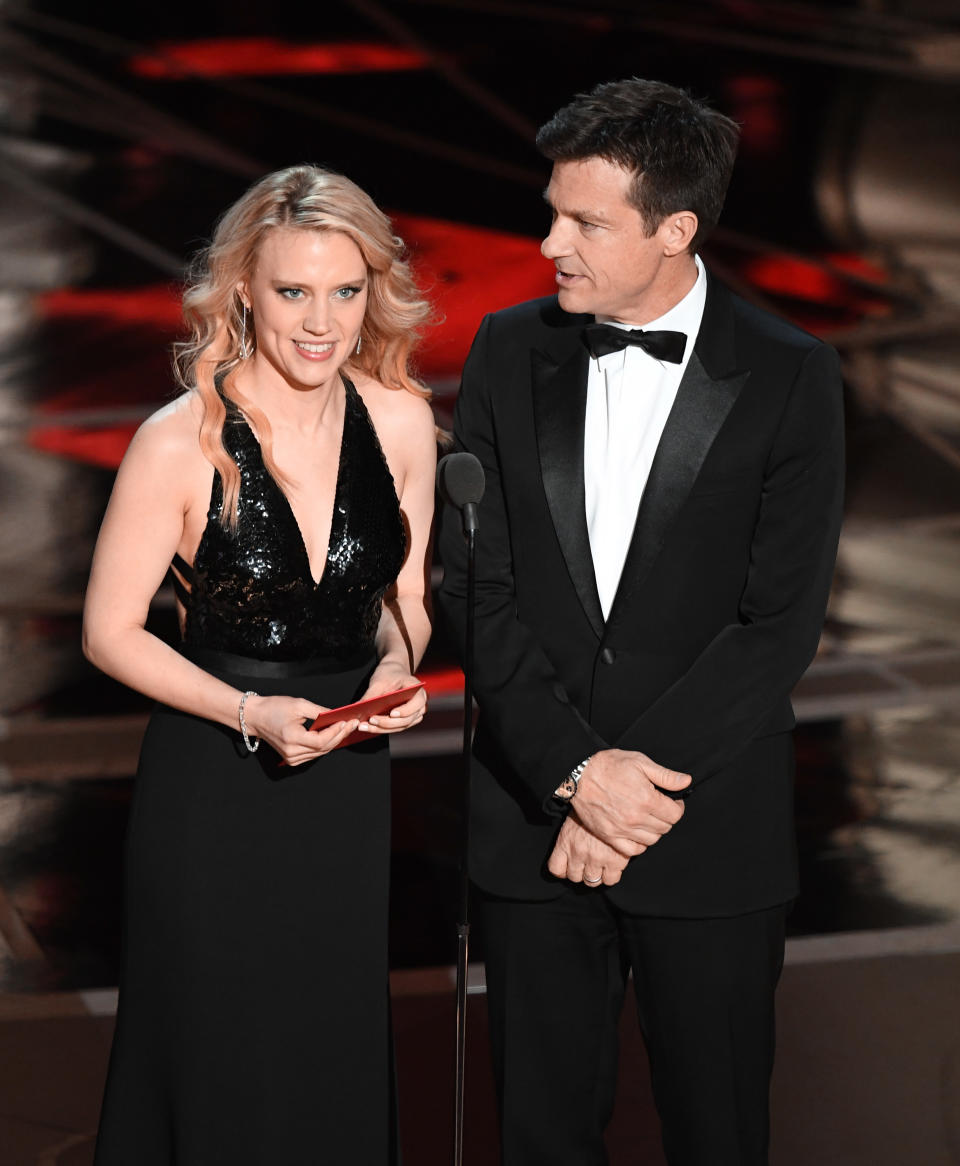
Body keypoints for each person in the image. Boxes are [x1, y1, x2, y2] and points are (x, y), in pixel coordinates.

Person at [438, 78, 844, 1166]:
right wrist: (574, 769)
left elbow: (778, 623)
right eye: (552, 209)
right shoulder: (504, 348)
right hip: (534, 827)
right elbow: (471, 585)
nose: (547, 241)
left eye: (583, 221)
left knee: (719, 1133)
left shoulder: (792, 373)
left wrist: (630, 783)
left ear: (676, 229)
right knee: (538, 1134)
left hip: (706, 834)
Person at [83, 164, 436, 1164]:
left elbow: (404, 603)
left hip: (345, 784)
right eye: (292, 291)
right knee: (220, 1046)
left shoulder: (402, 422)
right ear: (243, 288)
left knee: (326, 1038)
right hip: (217, 777)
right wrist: (250, 711)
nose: (319, 320)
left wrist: (390, 675)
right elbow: (110, 632)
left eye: (345, 290)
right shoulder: (178, 441)